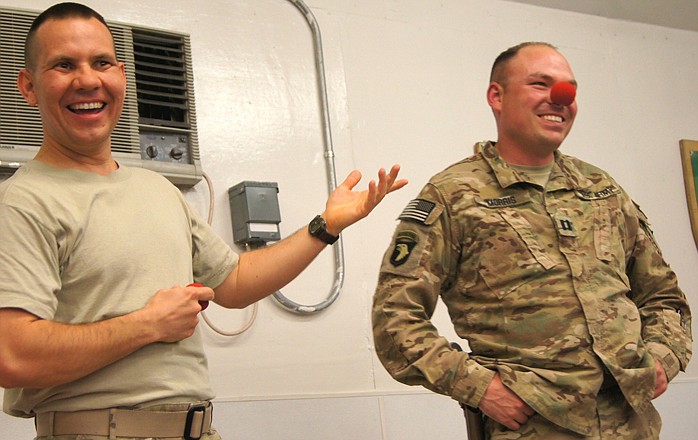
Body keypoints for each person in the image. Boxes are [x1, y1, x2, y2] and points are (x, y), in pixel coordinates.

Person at [0, 3, 407, 439]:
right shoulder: (25, 200)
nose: (87, 80)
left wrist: (325, 225)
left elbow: (234, 282)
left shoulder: (156, 189)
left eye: (101, 62)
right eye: (64, 65)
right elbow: (14, 355)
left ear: (120, 73)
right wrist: (148, 324)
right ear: (29, 86)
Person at [372, 41, 692, 439]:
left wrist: (663, 357)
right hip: (533, 427)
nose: (562, 98)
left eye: (568, 88)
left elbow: (663, 295)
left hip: (631, 427)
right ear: (496, 96)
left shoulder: (602, 188)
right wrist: (480, 388)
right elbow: (394, 320)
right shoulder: (454, 195)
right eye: (540, 83)